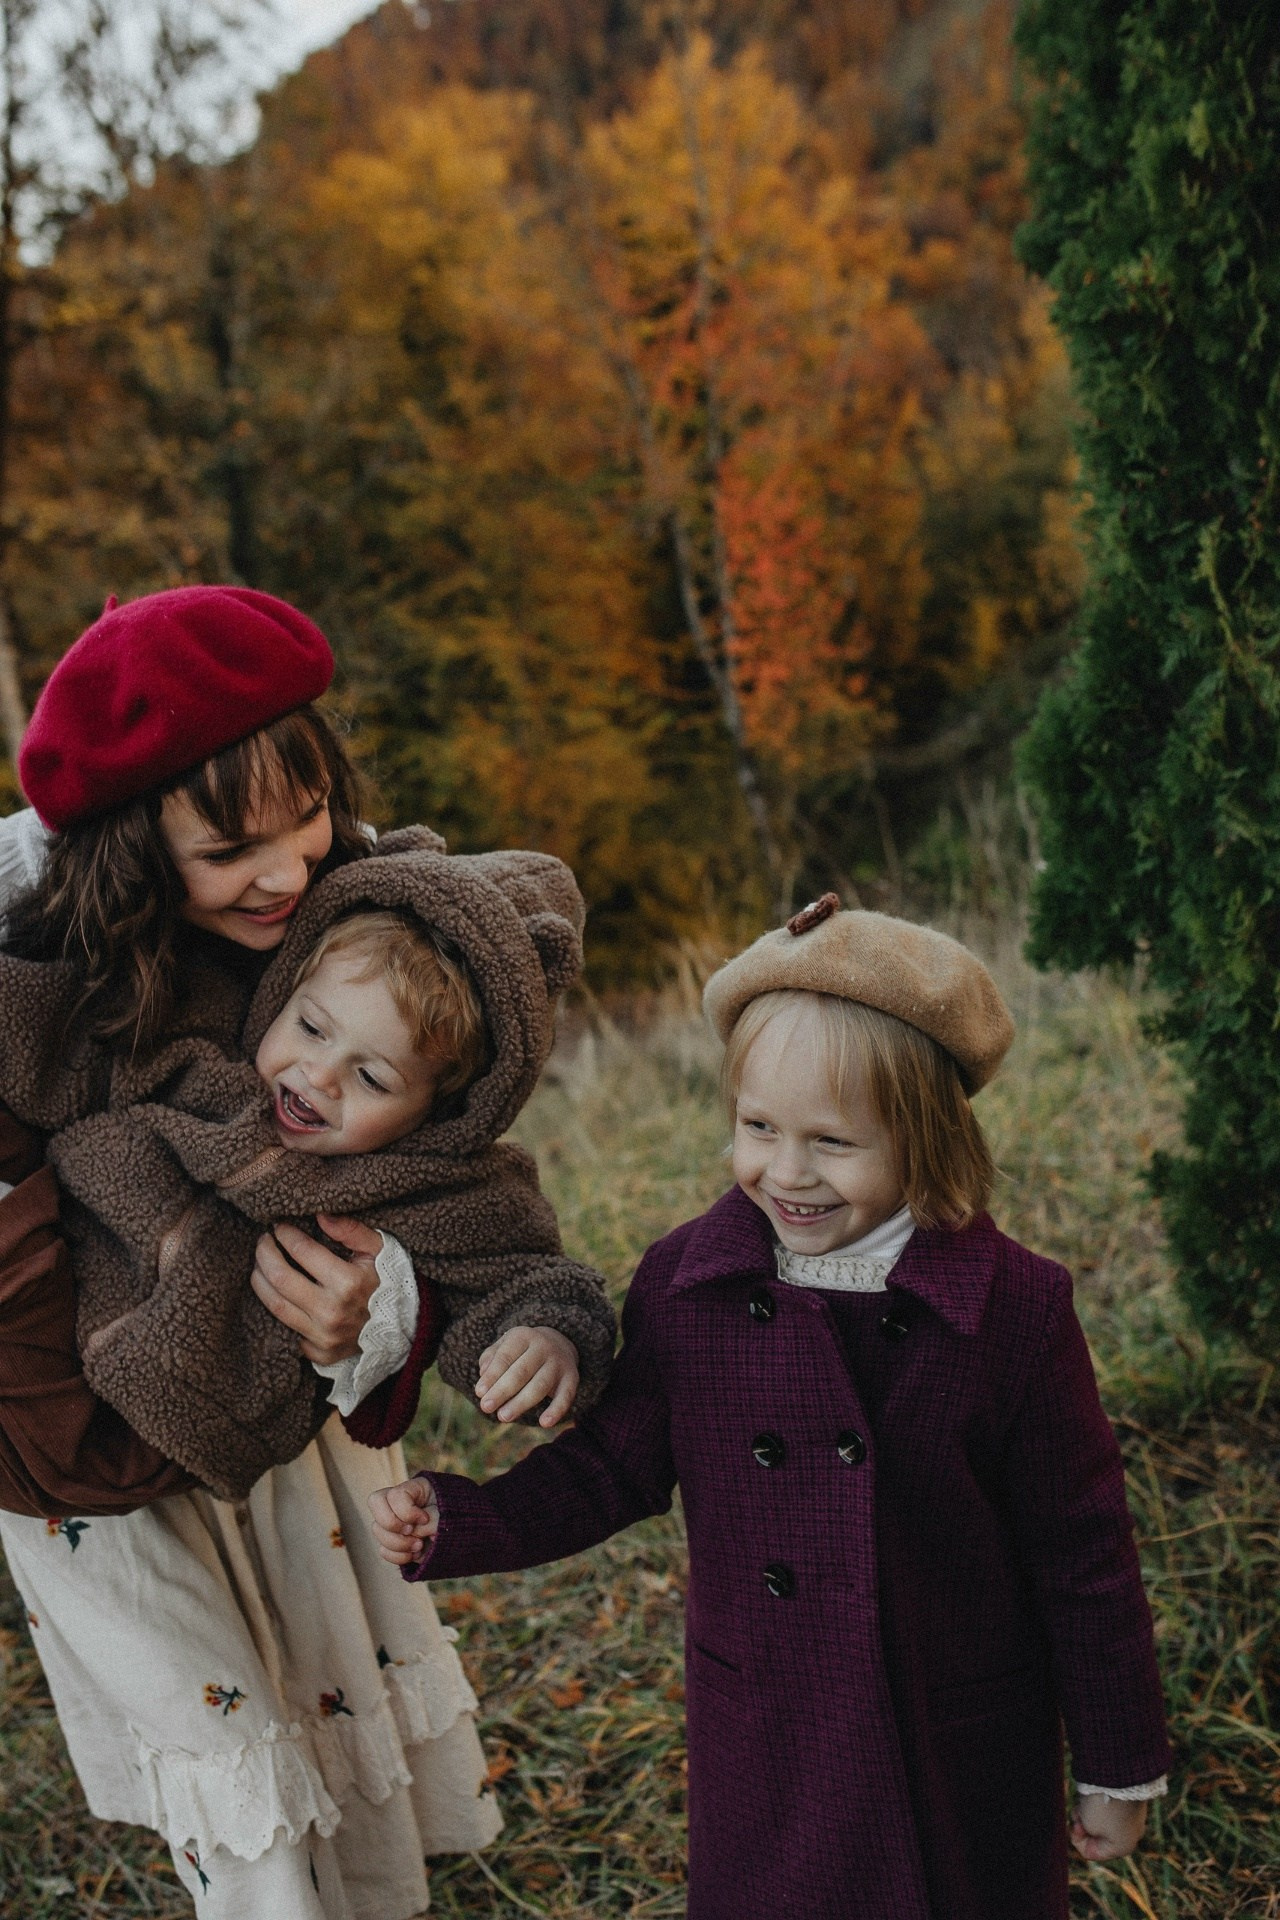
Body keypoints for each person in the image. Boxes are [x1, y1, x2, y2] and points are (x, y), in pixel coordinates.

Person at [371, 895, 1173, 1920]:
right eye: (756, 1128)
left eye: (832, 1142)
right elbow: (609, 1467)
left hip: (950, 1725)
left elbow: (1081, 1552)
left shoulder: (1010, 1312)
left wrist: (1116, 1764)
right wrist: (465, 1519)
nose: (784, 1174)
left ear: (925, 1138)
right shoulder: (686, 1286)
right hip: (771, 1731)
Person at [0, 584, 595, 1920]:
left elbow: (453, 1206)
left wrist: (386, 1313)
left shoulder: (352, 938)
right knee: (230, 1758)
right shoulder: (58, 981)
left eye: (305, 819)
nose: (281, 869)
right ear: (135, 849)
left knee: (324, 1698)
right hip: (93, 1459)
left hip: (293, 1438)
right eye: (228, 851)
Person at [0, 835, 616, 1503]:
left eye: (373, 1078)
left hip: (160, 1433)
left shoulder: (441, 1185)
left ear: (441, 1110)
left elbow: (527, 1275)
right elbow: (59, 1034)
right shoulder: (201, 1045)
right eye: (313, 1028)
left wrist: (546, 1337)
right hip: (62, 1298)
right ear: (285, 990)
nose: (317, 1075)